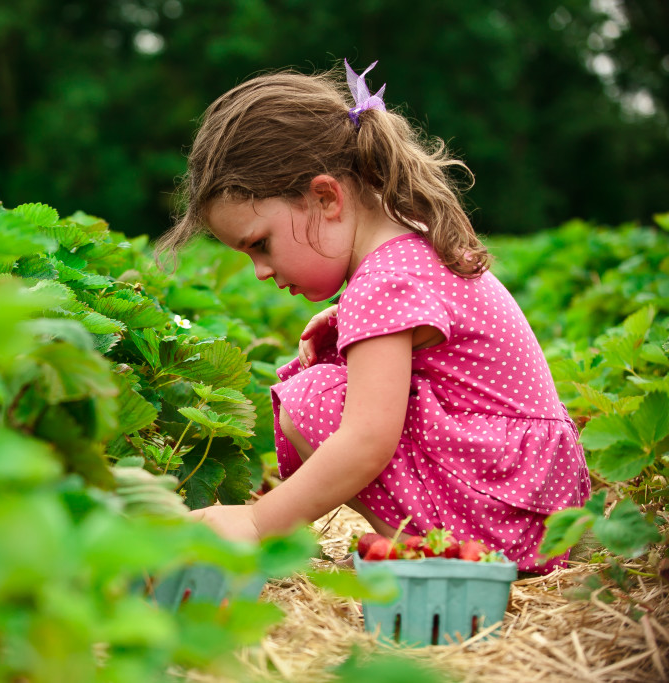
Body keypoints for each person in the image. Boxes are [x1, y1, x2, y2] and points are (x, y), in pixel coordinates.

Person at [155, 61, 591, 573]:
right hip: (537, 498)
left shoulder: (384, 281)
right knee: (330, 383)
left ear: (326, 197)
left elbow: (367, 442)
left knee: (311, 399)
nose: (260, 271)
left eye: (261, 245)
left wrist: (256, 522)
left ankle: (441, 554)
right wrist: (348, 319)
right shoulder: (406, 247)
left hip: (505, 519)